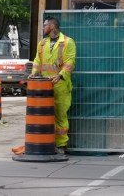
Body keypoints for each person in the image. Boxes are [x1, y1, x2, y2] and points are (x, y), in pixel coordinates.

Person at [29, 16, 76, 153]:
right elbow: (38, 60)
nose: (43, 28)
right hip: (44, 86)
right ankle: (47, 142)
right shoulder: (42, 43)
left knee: (60, 115)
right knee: (45, 116)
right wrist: (34, 72)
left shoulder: (68, 42)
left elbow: (70, 62)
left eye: (45, 25)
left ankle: (61, 145)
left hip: (60, 85)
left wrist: (61, 75)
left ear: (52, 27)